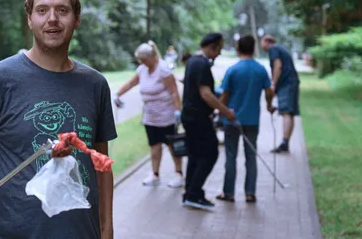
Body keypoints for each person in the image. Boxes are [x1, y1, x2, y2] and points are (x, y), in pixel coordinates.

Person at [0, 0, 116, 239]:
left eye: (62, 10)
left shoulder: (95, 85)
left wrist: (106, 230)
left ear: (76, 19)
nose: (52, 19)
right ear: (29, 19)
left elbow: (101, 165)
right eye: (42, 10)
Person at [114, 41, 184, 188]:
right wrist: (118, 95)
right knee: (154, 145)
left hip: (167, 116)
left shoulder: (163, 69)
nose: (142, 63)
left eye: (144, 60)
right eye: (141, 60)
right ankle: (155, 174)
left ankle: (179, 174)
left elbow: (174, 91)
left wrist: (177, 111)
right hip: (150, 117)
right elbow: (130, 84)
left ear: (152, 57)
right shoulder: (142, 70)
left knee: (172, 146)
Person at [216, 35, 274, 203]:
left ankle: (229, 192)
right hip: (252, 120)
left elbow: (225, 94)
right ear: (253, 48)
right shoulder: (260, 69)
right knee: (251, 156)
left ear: (238, 48)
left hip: (232, 119)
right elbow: (269, 91)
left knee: (231, 156)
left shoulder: (233, 70)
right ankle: (250, 192)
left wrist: (219, 111)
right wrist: (269, 105)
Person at [181, 32, 236, 210]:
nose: (219, 53)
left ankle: (189, 193)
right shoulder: (202, 64)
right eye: (219, 49)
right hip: (197, 118)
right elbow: (205, 94)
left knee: (195, 155)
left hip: (189, 115)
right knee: (210, 153)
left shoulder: (192, 61)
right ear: (212, 46)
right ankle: (195, 193)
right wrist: (226, 111)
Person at [261, 34, 300, 153]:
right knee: (289, 113)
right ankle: (286, 142)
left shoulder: (273, 49)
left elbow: (278, 66)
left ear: (266, 42)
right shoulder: (280, 49)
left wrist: (273, 83)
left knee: (286, 112)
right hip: (291, 83)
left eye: (261, 42)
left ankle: (284, 143)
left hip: (286, 84)